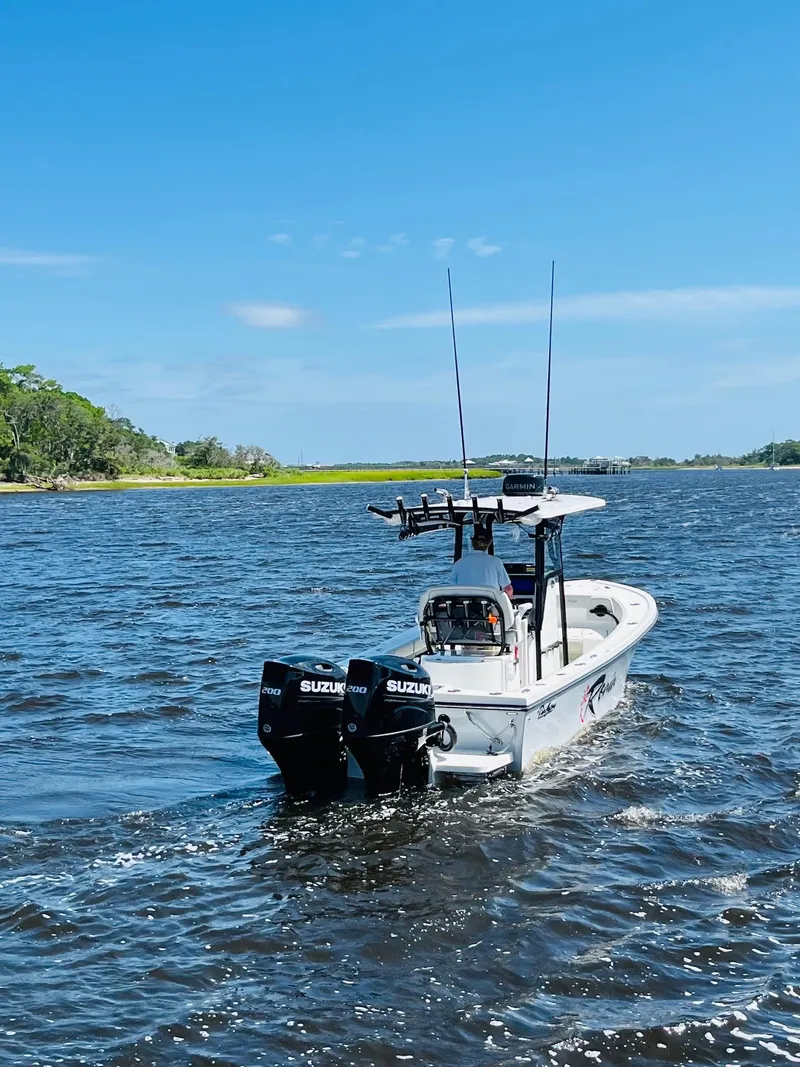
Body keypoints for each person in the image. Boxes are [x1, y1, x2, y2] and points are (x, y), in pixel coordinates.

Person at [449, 524, 514, 598]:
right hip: (490, 607)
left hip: (466, 607)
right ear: (489, 543)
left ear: (473, 543)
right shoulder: (496, 562)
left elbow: (452, 590)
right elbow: (508, 589)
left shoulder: (458, 563)